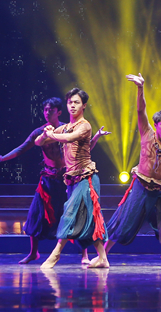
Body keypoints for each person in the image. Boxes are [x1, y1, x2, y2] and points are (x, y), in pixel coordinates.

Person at [0, 97, 109, 264]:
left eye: (50, 110)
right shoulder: (39, 132)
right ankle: (33, 253)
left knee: (76, 213)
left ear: (59, 112)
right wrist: (1, 158)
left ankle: (84, 255)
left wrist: (95, 138)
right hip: (48, 178)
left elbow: (84, 150)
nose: (47, 113)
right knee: (36, 214)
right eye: (45, 110)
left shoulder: (67, 129)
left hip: (67, 178)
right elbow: (23, 148)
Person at [93, 73, 161, 267]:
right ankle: (103, 255)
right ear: (156, 125)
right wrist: (140, 88)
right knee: (125, 220)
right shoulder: (147, 133)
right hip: (142, 185)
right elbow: (140, 109)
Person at [35, 88, 110, 269]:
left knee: (69, 213)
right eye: (70, 102)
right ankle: (103, 258)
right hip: (72, 180)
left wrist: (52, 134)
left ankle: (55, 254)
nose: (72, 105)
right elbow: (38, 142)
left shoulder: (85, 126)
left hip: (87, 178)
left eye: (76, 102)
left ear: (84, 106)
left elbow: (69, 138)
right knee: (90, 219)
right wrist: (45, 134)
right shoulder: (65, 127)